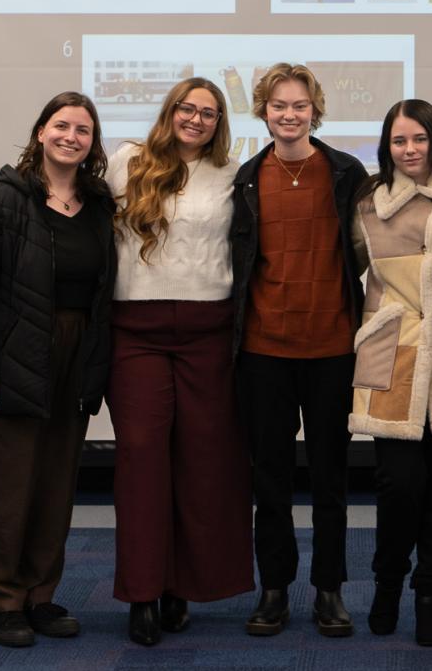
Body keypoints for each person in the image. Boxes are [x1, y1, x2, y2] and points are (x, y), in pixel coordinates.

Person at [0, 91, 116, 648]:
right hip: (15, 356)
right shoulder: (0, 201)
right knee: (7, 488)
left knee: (54, 485)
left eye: (84, 131)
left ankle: (41, 596)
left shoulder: (97, 206)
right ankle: (4, 602)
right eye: (62, 126)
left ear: (92, 145)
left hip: (75, 357)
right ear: (41, 132)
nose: (72, 137)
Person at [104, 77, 253, 646]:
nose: (196, 119)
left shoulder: (232, 174)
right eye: (187, 109)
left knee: (203, 464)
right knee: (142, 461)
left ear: (220, 123)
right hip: (136, 332)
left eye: (209, 114)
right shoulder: (127, 163)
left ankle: (180, 589)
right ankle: (142, 593)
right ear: (169, 112)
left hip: (207, 333)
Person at [230, 62, 368, 638]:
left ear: (316, 111)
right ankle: (274, 589)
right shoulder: (244, 177)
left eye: (300, 105)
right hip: (264, 351)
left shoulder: (345, 172)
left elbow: (367, 252)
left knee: (331, 481)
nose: (290, 115)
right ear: (263, 110)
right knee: (271, 482)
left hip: (334, 347)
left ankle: (329, 589)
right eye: (279, 105)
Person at [348, 100, 432, 647]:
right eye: (399, 141)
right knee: (398, 486)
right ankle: (387, 584)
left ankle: (430, 591)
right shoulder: (367, 206)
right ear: (386, 147)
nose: (410, 150)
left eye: (420, 139)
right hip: (394, 357)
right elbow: (345, 269)